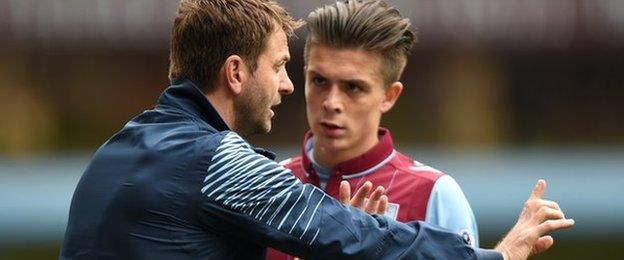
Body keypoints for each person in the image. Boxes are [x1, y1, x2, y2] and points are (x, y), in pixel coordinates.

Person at [60, 0, 574, 259]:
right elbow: (349, 234)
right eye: (283, 67)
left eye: (353, 87)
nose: (287, 87)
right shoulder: (219, 162)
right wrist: (496, 256)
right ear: (236, 73)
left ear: (389, 97)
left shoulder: (115, 150)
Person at [267, 1, 479, 259]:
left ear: (389, 96)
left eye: (353, 87)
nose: (331, 102)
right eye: (319, 80)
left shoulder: (435, 195)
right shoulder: (268, 184)